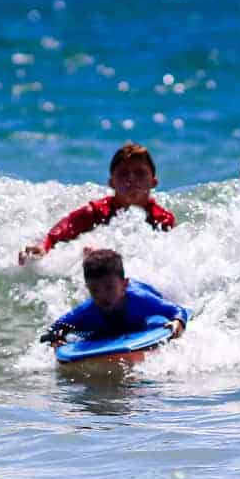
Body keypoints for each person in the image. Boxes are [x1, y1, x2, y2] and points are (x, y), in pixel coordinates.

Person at [19, 143, 175, 265]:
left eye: (140, 173)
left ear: (153, 182)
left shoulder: (163, 219)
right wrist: (41, 248)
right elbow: (55, 236)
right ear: (111, 183)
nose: (131, 179)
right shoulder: (94, 212)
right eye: (123, 173)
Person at [40, 248, 189, 345]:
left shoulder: (141, 300)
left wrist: (178, 322)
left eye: (109, 288)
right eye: (94, 290)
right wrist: (57, 337)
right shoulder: (87, 310)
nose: (102, 296)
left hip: (146, 298)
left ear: (124, 285)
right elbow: (57, 327)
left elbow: (177, 310)